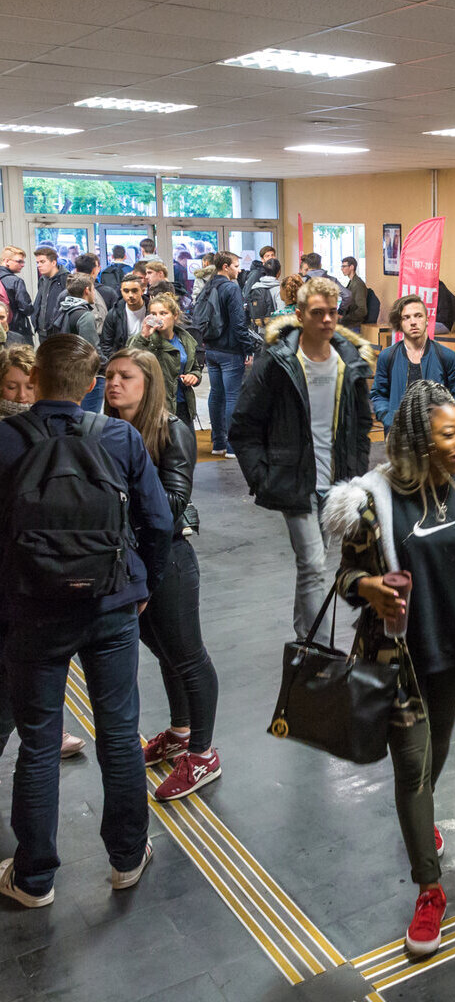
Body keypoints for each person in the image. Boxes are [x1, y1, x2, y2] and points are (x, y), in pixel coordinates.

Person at [325, 379, 455, 957]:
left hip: (452, 659)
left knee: (433, 760)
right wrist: (367, 586)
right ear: (419, 441)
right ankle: (429, 888)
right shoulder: (374, 501)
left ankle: (421, 825)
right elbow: (342, 579)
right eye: (450, 434)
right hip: (399, 663)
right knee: (412, 769)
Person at [0, 334, 172, 907]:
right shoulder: (119, 437)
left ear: (39, 379)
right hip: (111, 606)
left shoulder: (4, 439)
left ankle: (34, 878)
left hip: (32, 611)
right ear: (92, 383)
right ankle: (127, 858)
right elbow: (159, 521)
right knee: (120, 736)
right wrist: (143, 585)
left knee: (39, 746)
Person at [231, 277, 374, 648]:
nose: (327, 320)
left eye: (333, 312)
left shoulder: (349, 361)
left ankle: (304, 633)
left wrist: (356, 470)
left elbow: (361, 422)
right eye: (318, 313)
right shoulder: (278, 362)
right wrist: (262, 477)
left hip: (337, 479)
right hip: (293, 479)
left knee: (316, 564)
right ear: (299, 314)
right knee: (312, 563)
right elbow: (244, 424)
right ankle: (320, 647)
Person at [104, 349, 220, 801]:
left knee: (188, 656)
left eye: (125, 377)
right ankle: (180, 731)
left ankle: (204, 752)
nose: (113, 384)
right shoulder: (107, 430)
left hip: (167, 560)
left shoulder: (173, 431)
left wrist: (119, 498)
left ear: (147, 383)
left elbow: (171, 507)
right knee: (165, 652)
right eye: (110, 375)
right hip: (128, 561)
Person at [0, 345, 88, 763]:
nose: (18, 396)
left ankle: (47, 729)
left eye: (25, 387)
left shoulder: (42, 432)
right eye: (10, 387)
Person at [371, 294, 455, 431]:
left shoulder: (446, 356)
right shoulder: (388, 357)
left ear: (427, 319)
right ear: (400, 323)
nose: (413, 322)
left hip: (436, 437)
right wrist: (388, 418)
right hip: (399, 438)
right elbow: (379, 394)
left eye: (418, 316)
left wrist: (446, 418)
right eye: (406, 317)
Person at [198, 251, 253, 458]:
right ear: (226, 267)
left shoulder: (208, 285)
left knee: (216, 395)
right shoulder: (231, 288)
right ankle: (232, 447)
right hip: (230, 350)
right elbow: (239, 323)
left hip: (211, 349)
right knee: (232, 397)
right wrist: (248, 348)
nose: (239, 270)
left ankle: (218, 443)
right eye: (236, 266)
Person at [129, 291, 202, 429]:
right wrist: (144, 336)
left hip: (183, 406)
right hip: (156, 407)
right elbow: (129, 361)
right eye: (153, 314)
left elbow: (195, 369)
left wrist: (194, 376)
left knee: (187, 448)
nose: (158, 318)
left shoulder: (185, 340)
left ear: (175, 316)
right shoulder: (144, 339)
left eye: (163, 313)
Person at [53, 273, 105, 413]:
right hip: (85, 376)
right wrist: (105, 366)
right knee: (87, 418)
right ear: (87, 290)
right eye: (93, 289)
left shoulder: (63, 309)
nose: (94, 293)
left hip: (66, 372)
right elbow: (92, 350)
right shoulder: (85, 316)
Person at [101, 274, 148, 363]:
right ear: (121, 291)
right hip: (123, 361)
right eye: (126, 291)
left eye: (134, 291)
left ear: (142, 291)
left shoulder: (152, 310)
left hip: (148, 360)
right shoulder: (114, 313)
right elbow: (106, 345)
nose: (130, 295)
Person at [31, 246, 70, 341]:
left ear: (53, 262)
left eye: (42, 262)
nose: (39, 265)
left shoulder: (66, 279)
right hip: (42, 331)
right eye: (37, 262)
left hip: (58, 332)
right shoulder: (42, 279)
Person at [0, 246, 35, 342]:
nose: (22, 265)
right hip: (17, 331)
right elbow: (26, 308)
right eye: (19, 261)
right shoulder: (15, 281)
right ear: (7, 261)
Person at [245, 257, 283, 337]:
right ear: (279, 272)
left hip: (260, 330)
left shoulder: (255, 287)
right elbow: (281, 313)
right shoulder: (278, 289)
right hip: (275, 333)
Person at [339, 257, 369, 330]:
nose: (341, 269)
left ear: (352, 267)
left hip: (354, 325)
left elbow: (362, 310)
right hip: (349, 324)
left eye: (344, 266)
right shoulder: (352, 282)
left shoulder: (358, 284)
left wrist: (345, 318)